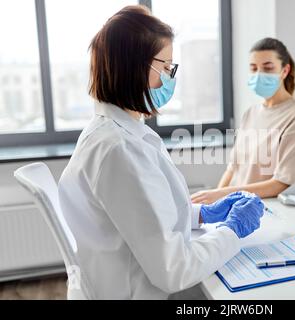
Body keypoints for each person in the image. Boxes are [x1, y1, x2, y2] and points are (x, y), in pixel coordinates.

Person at [58, 5, 264, 300]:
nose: (170, 78)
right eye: (166, 68)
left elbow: (146, 218)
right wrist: (232, 230)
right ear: (135, 66)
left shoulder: (118, 132)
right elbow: (174, 270)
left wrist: (201, 215)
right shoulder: (119, 149)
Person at [192, 38, 295, 205]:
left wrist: (223, 195)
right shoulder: (251, 113)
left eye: (268, 68)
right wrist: (213, 201)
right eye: (254, 68)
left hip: (263, 210)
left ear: (284, 71)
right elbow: (233, 168)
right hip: (235, 205)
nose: (259, 74)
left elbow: (283, 182)